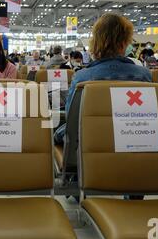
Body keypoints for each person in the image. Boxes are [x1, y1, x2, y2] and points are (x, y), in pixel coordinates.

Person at [54, 14, 151, 145]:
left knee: (57, 135)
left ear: (95, 43)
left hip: (90, 145)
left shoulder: (82, 77)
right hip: (133, 143)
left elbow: (72, 117)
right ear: (123, 44)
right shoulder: (144, 76)